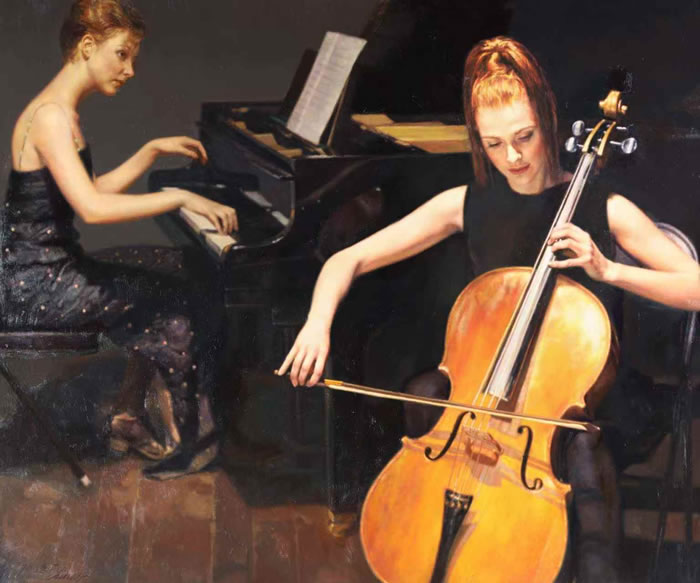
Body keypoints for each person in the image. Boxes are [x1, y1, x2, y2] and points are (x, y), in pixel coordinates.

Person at [278, 36, 700, 581]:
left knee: (581, 455)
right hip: (485, 390)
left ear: (548, 120)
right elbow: (348, 260)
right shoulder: (464, 203)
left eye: (525, 137)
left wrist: (609, 271)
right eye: (494, 143)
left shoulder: (606, 207)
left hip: (578, 400)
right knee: (426, 393)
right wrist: (317, 324)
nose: (513, 158)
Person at [0, 0, 238, 480]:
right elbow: (92, 208)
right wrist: (177, 197)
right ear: (88, 46)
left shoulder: (59, 111)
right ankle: (190, 442)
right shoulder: (50, 117)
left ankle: (129, 416)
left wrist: (149, 152)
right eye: (122, 54)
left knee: (174, 265)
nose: (129, 70)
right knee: (170, 301)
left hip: (49, 270)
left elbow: (89, 189)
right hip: (35, 286)